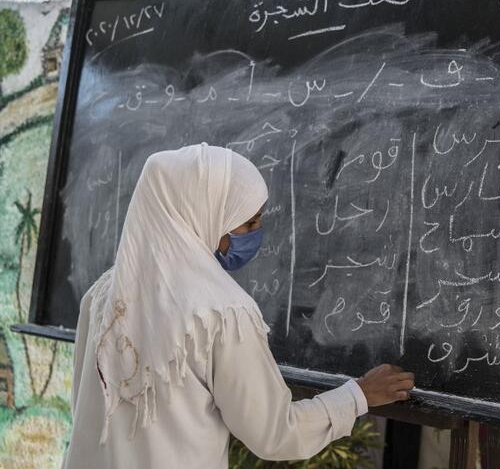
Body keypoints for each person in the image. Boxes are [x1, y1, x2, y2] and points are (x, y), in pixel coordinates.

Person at [63, 143, 414, 469]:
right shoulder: (220, 313)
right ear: (203, 215)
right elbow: (275, 433)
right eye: (248, 222)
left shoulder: (102, 296)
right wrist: (358, 395)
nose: (256, 232)